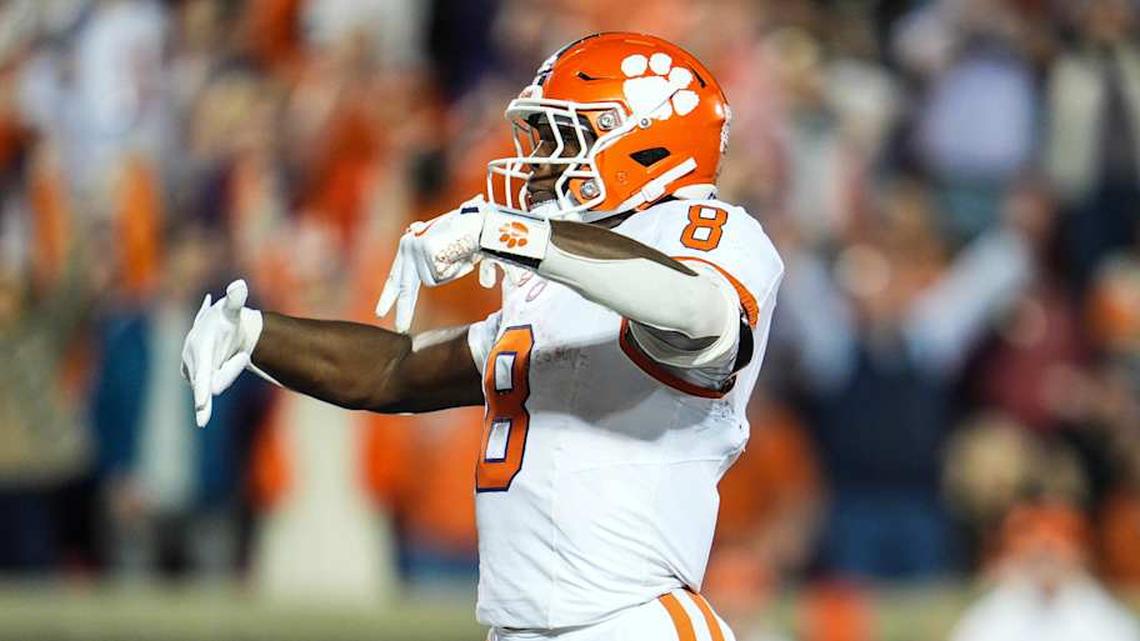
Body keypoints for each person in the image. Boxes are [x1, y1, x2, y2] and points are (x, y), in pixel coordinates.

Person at [181, 33, 783, 641]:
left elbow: (697, 311)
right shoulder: (557, 282)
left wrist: (515, 236)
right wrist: (254, 334)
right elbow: (396, 371)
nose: (539, 161)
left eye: (564, 139)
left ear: (645, 142)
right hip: (518, 628)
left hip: (629, 624)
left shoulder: (707, 232)